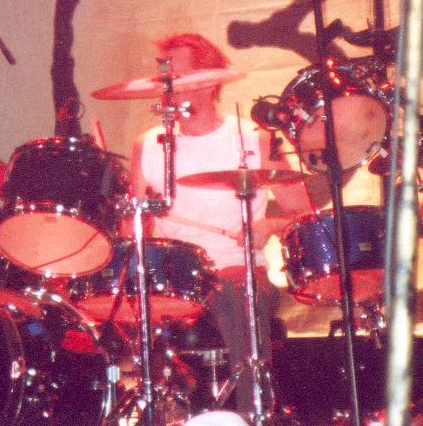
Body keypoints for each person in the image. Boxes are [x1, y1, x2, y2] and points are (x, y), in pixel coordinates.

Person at [129, 32, 312, 414]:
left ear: (209, 81)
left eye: (176, 77)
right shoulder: (146, 144)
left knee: (233, 292)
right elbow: (134, 231)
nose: (166, 87)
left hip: (236, 268)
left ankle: (252, 413)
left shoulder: (254, 139)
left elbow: (304, 215)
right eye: (163, 78)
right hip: (173, 277)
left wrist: (268, 226)